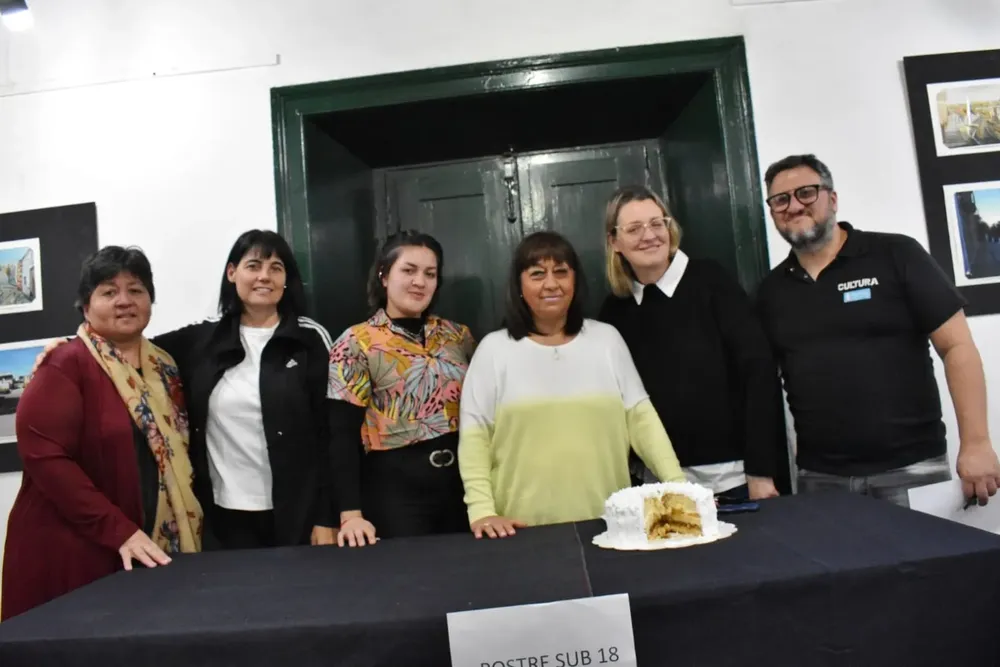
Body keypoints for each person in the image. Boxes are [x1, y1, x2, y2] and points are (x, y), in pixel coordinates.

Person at [33, 230, 337, 549]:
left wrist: (326, 515)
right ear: (232, 273)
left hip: (297, 513)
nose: (264, 276)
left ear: (287, 278)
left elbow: (327, 433)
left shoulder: (309, 340)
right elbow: (128, 343)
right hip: (221, 516)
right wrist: (71, 344)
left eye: (276, 267)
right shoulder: (202, 341)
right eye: (254, 265)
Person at [755, 154, 1000, 507]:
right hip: (821, 481)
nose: (794, 206)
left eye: (806, 193)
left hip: (914, 470)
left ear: (833, 199)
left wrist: (976, 443)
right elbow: (760, 385)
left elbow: (957, 347)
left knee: (930, 564)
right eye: (781, 200)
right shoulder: (770, 292)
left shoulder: (895, 254)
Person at [2, 246, 203, 621]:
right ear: (85, 305)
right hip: (75, 552)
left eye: (136, 290)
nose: (125, 301)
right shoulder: (64, 364)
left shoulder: (165, 366)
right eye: (109, 292)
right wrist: (119, 531)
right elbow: (46, 460)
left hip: (148, 550)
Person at [458, 230, 685, 538]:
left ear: (575, 281)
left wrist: (680, 488)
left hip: (610, 525)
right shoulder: (493, 350)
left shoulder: (607, 340)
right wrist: (482, 511)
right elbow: (474, 439)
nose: (551, 284)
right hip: (519, 530)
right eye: (537, 274)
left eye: (561, 272)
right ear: (519, 286)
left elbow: (642, 422)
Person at [599, 185, 785, 501]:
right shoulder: (615, 309)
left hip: (731, 481)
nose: (650, 235)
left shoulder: (711, 281)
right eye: (634, 228)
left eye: (658, 223)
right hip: (656, 485)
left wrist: (761, 472)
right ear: (614, 242)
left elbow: (759, 373)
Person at [328, 231, 476, 547]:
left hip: (460, 487)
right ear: (384, 275)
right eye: (408, 270)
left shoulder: (457, 336)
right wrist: (350, 514)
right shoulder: (356, 343)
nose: (419, 281)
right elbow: (340, 435)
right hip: (394, 493)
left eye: (430, 274)